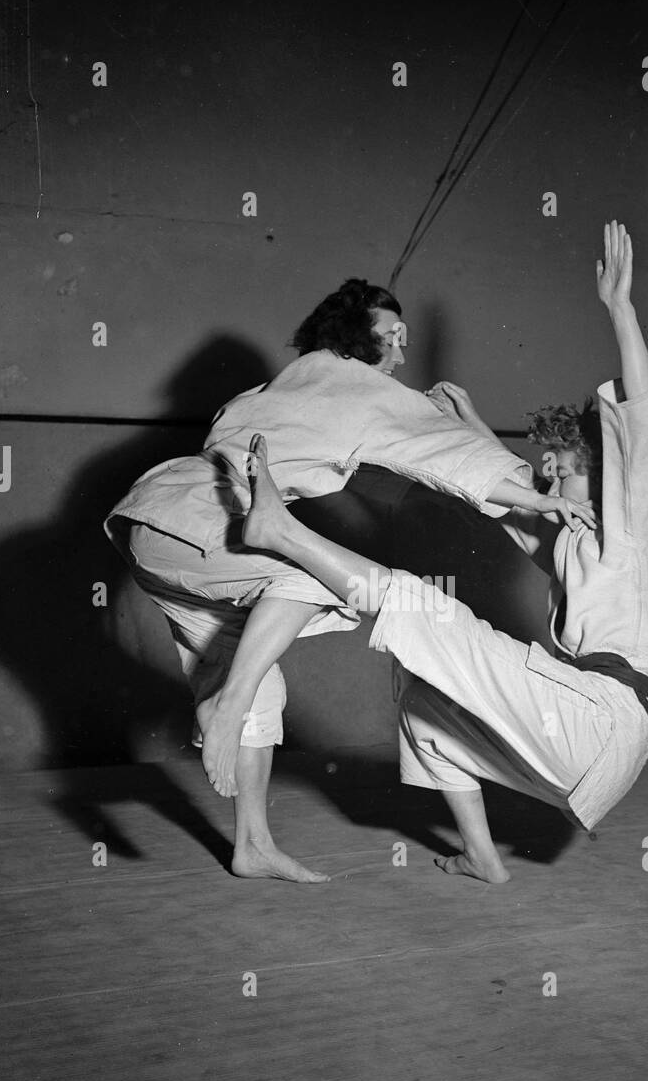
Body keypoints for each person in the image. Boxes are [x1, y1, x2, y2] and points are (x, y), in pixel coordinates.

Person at [238, 222, 648, 883]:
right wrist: (468, 428)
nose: (554, 482)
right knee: (424, 696)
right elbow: (517, 503)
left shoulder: (643, 521)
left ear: (609, 472)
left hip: (603, 722)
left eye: (566, 471)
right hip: (577, 739)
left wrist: (620, 311)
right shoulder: (578, 546)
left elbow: (645, 418)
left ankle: (280, 533)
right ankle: (483, 857)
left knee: (425, 607)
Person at [105, 278, 586, 883]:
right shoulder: (357, 384)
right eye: (395, 338)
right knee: (325, 578)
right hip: (199, 525)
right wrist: (538, 503)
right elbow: (446, 461)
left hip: (155, 532)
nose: (403, 356)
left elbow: (389, 458)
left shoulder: (271, 388)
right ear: (358, 337)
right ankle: (225, 708)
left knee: (260, 678)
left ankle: (250, 844)